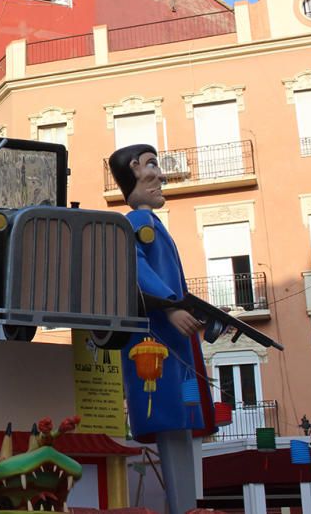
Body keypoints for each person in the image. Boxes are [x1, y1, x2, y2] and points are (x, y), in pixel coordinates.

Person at [107, 144, 216, 514]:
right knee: (172, 420)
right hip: (155, 343)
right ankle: (183, 505)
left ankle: (185, 504)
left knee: (180, 419)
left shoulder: (152, 225)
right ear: (135, 169)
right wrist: (170, 306)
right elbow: (132, 266)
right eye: (152, 165)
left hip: (172, 345)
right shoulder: (136, 223)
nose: (161, 175)